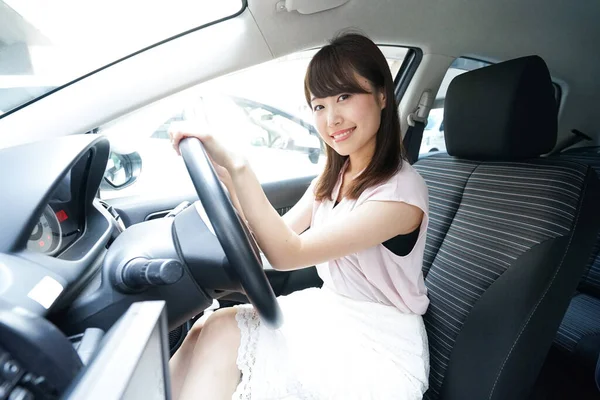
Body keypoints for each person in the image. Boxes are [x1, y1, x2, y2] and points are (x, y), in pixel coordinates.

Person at [168, 32, 430, 400]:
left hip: (379, 346)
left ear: (382, 96)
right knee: (208, 324)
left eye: (344, 96)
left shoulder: (400, 194)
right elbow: (279, 232)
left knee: (224, 333)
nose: (332, 118)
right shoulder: (337, 175)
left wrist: (239, 166)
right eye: (319, 105)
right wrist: (228, 183)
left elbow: (288, 253)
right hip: (332, 313)